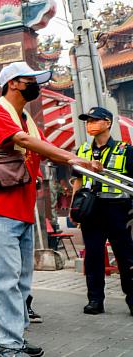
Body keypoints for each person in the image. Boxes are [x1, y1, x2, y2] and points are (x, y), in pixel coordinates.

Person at [0, 62, 101, 357]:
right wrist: (74, 157)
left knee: (21, 280)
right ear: (14, 83)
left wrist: (79, 162)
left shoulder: (25, 118)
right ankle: (7, 343)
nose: (36, 85)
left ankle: (11, 337)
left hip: (21, 207)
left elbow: (44, 148)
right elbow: (22, 142)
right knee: (7, 278)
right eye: (30, 80)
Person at [72, 106, 133, 316]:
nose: (89, 124)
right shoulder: (82, 151)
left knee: (126, 257)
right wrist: (75, 209)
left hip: (119, 210)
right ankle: (95, 300)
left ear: (107, 122)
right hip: (91, 211)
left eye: (94, 120)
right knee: (94, 257)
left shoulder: (125, 150)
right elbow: (77, 180)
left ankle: (132, 300)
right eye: (87, 121)